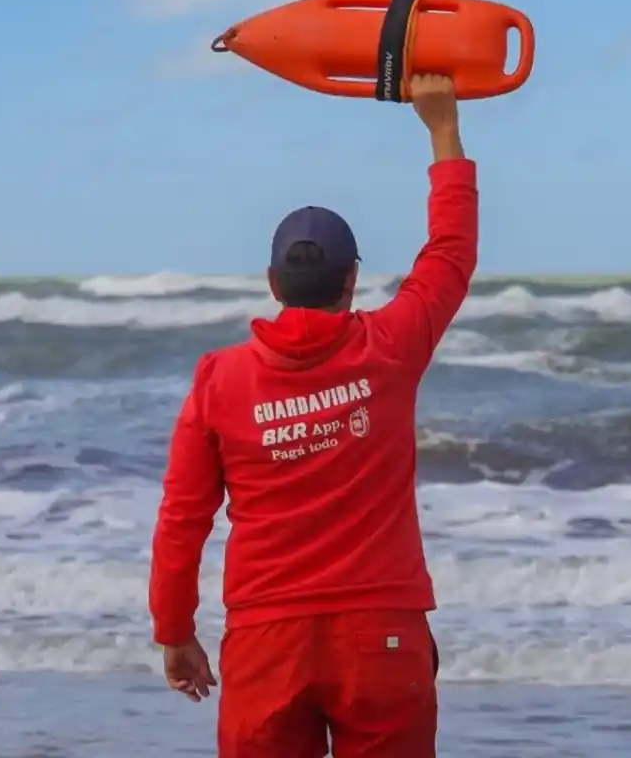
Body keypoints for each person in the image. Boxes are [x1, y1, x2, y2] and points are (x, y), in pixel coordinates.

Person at [148, 74, 475, 758]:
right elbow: (449, 253)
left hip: (267, 642)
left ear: (273, 285)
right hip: (383, 634)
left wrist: (174, 630)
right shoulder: (392, 345)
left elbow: (183, 518)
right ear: (351, 280)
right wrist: (443, 130)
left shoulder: (220, 380)